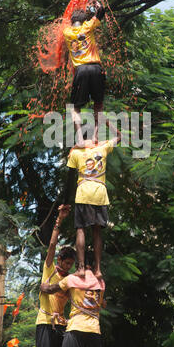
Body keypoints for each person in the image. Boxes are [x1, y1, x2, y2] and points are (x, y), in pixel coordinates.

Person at [63, 119, 121, 279]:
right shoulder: (102, 148)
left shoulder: (75, 152)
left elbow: (69, 180)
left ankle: (81, 268)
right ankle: (98, 270)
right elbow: (119, 136)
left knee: (80, 229)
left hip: (83, 193)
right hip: (100, 194)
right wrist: (107, 122)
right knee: (97, 232)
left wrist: (65, 202)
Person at [40, 253, 106, 347]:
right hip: (95, 330)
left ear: (79, 265)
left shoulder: (72, 279)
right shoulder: (101, 283)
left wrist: (43, 287)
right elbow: (102, 303)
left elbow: (50, 289)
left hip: (76, 328)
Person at [63, 0, 106, 145]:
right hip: (95, 68)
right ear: (83, 21)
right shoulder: (88, 27)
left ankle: (80, 139)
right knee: (98, 105)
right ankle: (95, 136)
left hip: (80, 71)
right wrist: (95, 3)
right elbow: (101, 12)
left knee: (75, 108)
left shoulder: (67, 32)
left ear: (72, 22)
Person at [35, 204, 76, 347]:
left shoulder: (69, 280)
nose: (68, 267)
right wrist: (59, 220)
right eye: (67, 263)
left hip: (62, 326)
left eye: (71, 264)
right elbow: (52, 245)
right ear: (60, 260)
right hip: (45, 322)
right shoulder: (49, 268)